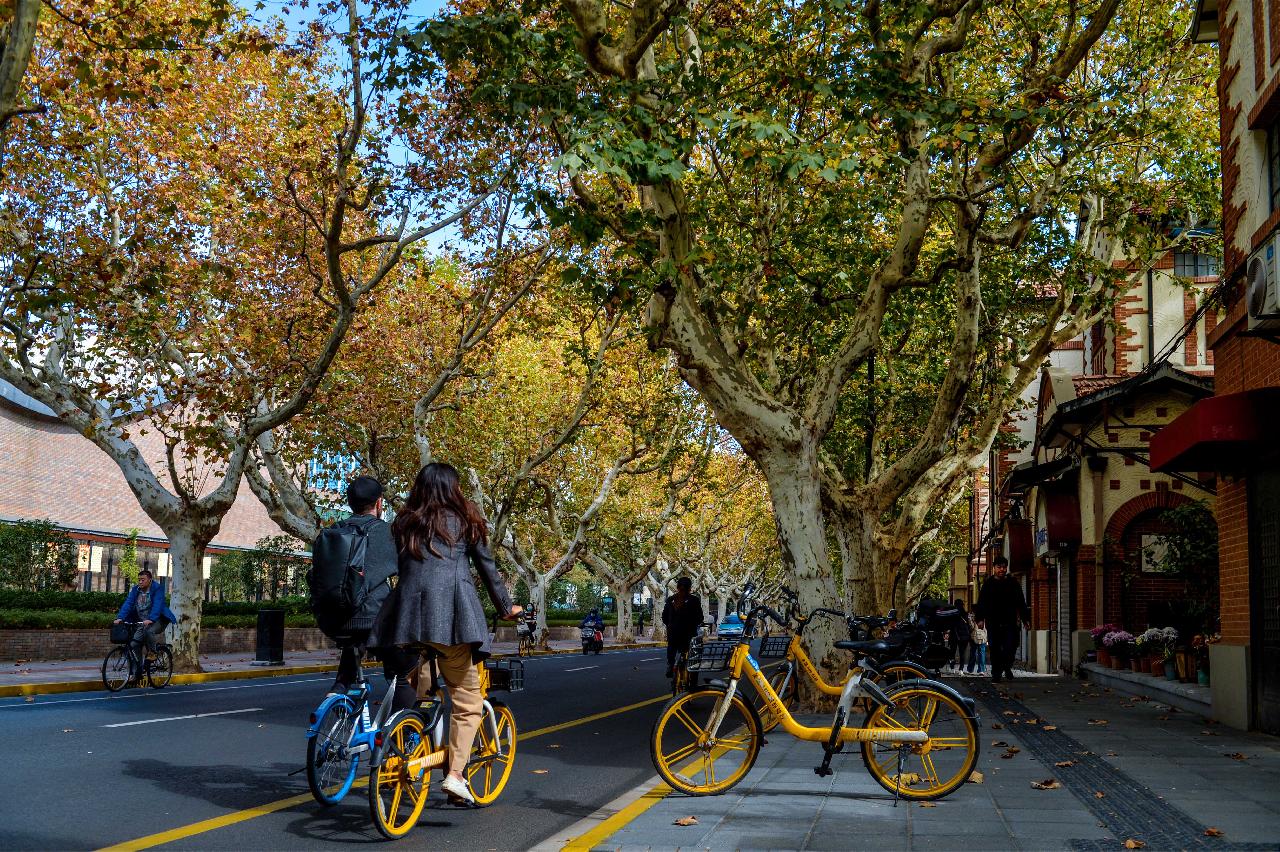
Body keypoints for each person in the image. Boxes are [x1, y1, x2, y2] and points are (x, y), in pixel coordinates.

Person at [369, 462, 522, 806]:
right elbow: (487, 570)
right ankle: (454, 776)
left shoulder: (404, 522)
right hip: (450, 621)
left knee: (419, 691)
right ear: (454, 488)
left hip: (408, 622)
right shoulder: (467, 521)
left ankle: (406, 746)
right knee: (467, 702)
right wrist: (507, 607)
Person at [326, 475, 399, 696]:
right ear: (379, 504)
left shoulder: (333, 532)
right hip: (374, 620)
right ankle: (401, 722)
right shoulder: (388, 533)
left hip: (332, 619)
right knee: (401, 672)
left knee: (353, 643)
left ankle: (338, 691)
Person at [974, 556, 1030, 684]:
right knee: (995, 649)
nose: (1002, 570)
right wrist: (980, 619)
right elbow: (981, 602)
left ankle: (1006, 665)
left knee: (1011, 645)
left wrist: (1025, 619)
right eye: (999, 567)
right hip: (993, 621)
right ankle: (996, 674)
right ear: (994, 568)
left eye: (1004, 567)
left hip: (1010, 621)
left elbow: (1020, 602)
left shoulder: (1013, 583)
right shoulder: (988, 584)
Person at [114, 569, 176, 680]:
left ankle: (153, 652)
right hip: (143, 622)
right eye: (139, 580)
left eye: (143, 580)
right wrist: (120, 618)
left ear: (150, 580)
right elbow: (128, 604)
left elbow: (158, 604)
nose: (140, 582)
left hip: (158, 619)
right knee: (134, 645)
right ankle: (137, 673)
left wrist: (151, 619)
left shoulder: (157, 588)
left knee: (149, 631)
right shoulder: (135, 590)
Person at [661, 576, 704, 678]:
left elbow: (664, 618)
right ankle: (692, 679)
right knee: (694, 657)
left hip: (673, 635)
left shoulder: (670, 600)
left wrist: (671, 625)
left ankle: (670, 665)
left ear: (677, 587)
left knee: (671, 648)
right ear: (690, 588)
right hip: (689, 635)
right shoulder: (694, 600)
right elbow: (700, 618)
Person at [946, 600, 971, 674]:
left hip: (954, 635)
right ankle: (961, 669)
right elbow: (969, 625)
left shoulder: (953, 614)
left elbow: (950, 625)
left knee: (952, 652)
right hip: (964, 636)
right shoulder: (965, 614)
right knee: (962, 653)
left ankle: (952, 668)